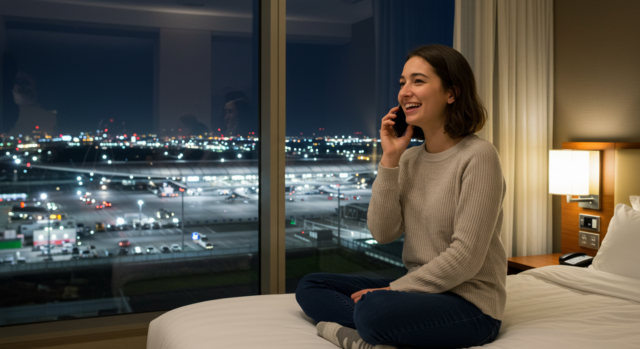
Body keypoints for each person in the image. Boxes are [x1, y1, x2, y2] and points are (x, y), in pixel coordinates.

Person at [296, 44, 506, 349]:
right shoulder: (409, 160)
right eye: (402, 82)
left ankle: (361, 332)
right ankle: (370, 332)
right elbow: (383, 233)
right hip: (420, 290)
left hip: (470, 305)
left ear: (452, 93)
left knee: (375, 310)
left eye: (418, 81)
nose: (405, 91)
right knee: (312, 285)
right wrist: (390, 160)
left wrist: (393, 290)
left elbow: (466, 258)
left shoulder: (478, 155)